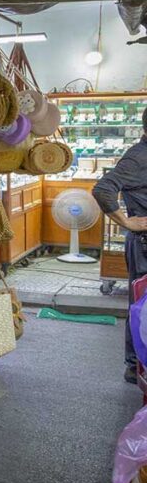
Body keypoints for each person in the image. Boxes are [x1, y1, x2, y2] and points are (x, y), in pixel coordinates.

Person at [93, 107, 147, 384]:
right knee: (142, 307)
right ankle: (135, 364)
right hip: (143, 244)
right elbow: (103, 188)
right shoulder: (139, 157)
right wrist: (127, 222)